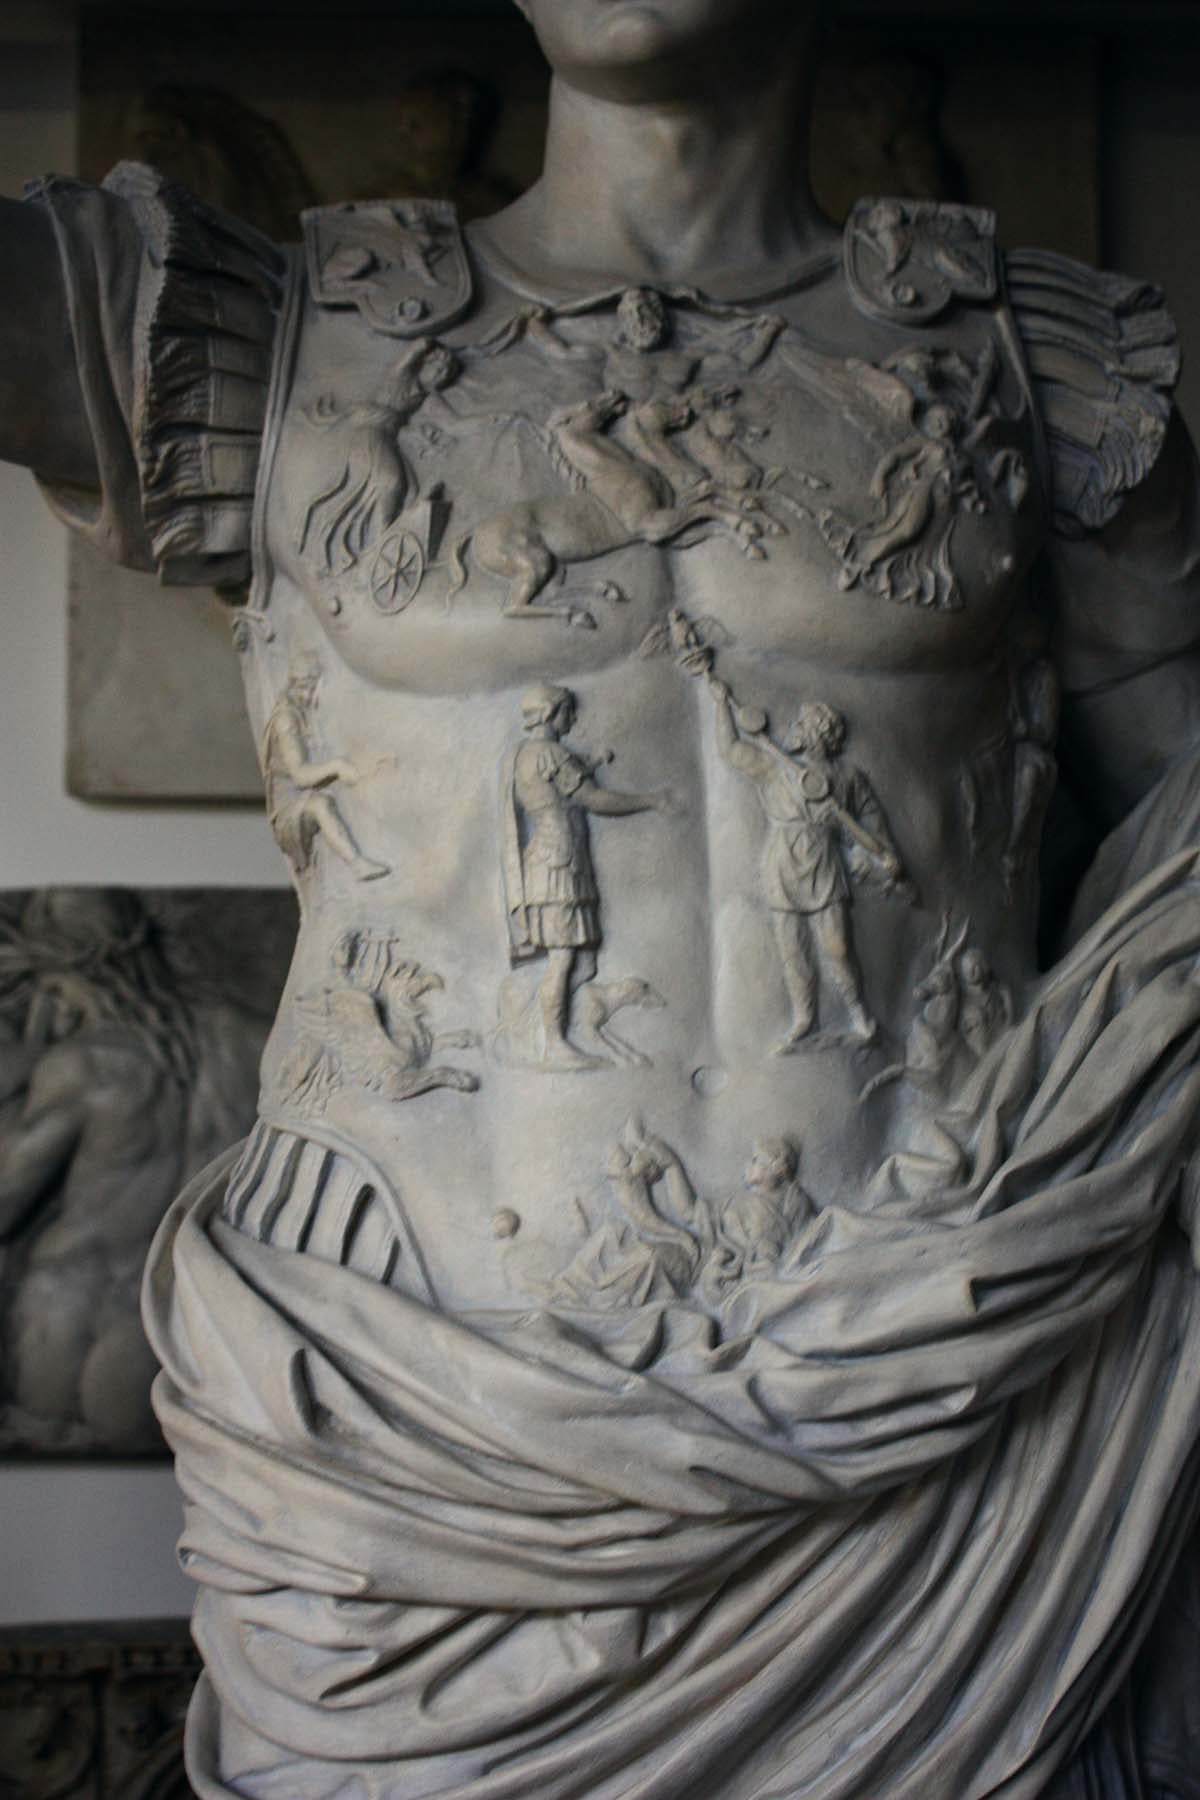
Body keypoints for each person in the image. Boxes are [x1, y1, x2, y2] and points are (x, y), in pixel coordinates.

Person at [2, 1, 1200, 1795]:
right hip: (410, 1477)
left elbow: (1173, 881)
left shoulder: (1035, 359)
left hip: (951, 1443)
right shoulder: (252, 330)